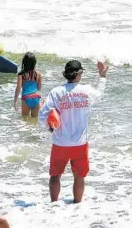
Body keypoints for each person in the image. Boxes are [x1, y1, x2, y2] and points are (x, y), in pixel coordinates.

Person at [38, 60, 109, 203]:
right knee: (79, 176)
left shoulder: (56, 92)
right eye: (81, 73)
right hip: (80, 143)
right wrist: (102, 77)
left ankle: (53, 206)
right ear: (78, 74)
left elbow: (42, 116)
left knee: (55, 175)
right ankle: (77, 206)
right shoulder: (86, 91)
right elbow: (99, 95)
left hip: (60, 142)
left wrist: (50, 128)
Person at [13, 52, 42, 117]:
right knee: (35, 119)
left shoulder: (21, 75)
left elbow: (18, 88)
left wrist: (15, 101)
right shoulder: (38, 74)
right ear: (34, 63)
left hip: (26, 98)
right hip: (36, 97)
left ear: (24, 63)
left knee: (25, 119)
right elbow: (39, 88)